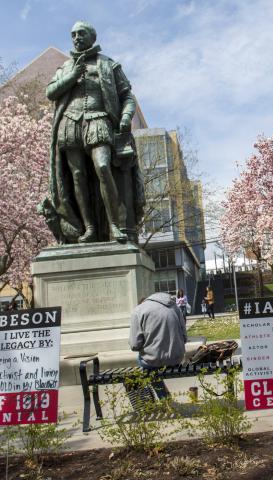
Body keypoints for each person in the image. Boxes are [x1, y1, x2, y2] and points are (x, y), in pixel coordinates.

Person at [44, 21, 145, 243]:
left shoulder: (108, 64)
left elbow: (127, 96)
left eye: (81, 33)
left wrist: (126, 117)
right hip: (70, 124)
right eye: (73, 34)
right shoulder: (66, 67)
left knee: (102, 166)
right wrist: (72, 76)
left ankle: (114, 225)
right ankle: (89, 228)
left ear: (92, 37)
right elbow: (50, 92)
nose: (76, 38)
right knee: (77, 176)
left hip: (98, 120)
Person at [129, 292, 187, 398]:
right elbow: (184, 337)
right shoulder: (174, 307)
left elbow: (134, 345)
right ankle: (163, 396)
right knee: (150, 364)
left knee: (144, 364)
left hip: (154, 361)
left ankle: (159, 397)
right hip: (176, 359)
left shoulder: (138, 311)